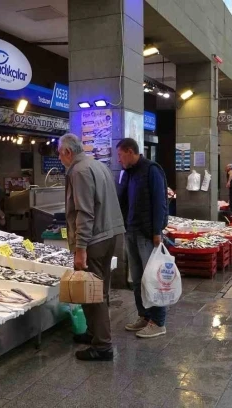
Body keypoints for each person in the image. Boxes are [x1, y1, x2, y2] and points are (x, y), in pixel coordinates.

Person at [59, 134, 125, 361]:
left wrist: (80, 248)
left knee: (92, 293)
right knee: (100, 290)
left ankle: (103, 346)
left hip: (95, 240)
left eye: (59, 153)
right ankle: (93, 332)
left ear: (68, 152)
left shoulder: (78, 171)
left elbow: (84, 213)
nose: (60, 158)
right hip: (110, 234)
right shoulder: (98, 165)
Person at [116, 138, 169, 339]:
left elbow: (160, 202)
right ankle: (144, 316)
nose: (119, 160)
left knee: (152, 280)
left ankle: (158, 322)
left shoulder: (151, 170)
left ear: (130, 151)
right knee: (137, 279)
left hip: (147, 234)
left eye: (120, 155)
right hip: (131, 231)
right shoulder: (128, 173)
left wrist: (157, 231)